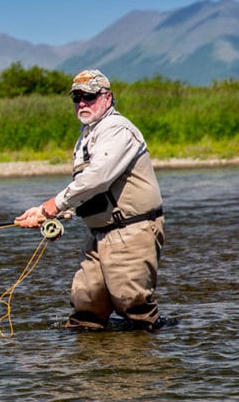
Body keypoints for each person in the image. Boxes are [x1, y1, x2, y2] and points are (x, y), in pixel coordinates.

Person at [15, 69, 166, 331]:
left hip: (131, 229)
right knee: (86, 305)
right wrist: (53, 215)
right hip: (99, 232)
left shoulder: (117, 129)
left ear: (108, 97)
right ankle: (89, 366)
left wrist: (54, 205)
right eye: (77, 97)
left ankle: (144, 364)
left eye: (89, 96)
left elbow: (98, 178)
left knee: (134, 307)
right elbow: (86, 190)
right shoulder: (86, 135)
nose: (82, 103)